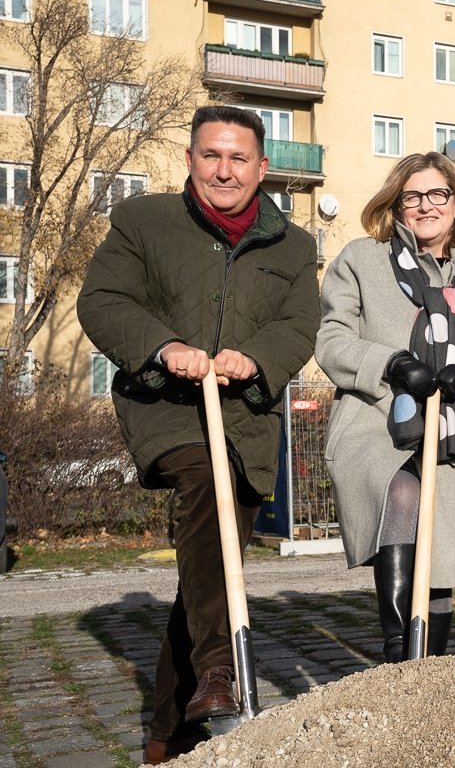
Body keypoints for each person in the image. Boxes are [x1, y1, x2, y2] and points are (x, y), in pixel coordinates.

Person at [76, 105, 319, 764]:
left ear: (262, 168)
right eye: (211, 155)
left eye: (239, 158)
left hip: (244, 411)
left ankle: (168, 736)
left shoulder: (294, 246)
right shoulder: (143, 221)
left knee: (210, 572)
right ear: (190, 159)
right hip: (166, 403)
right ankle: (221, 669)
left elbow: (300, 323)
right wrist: (162, 347)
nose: (224, 169)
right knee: (207, 494)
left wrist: (257, 358)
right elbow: (102, 300)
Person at [317, 152, 455, 663]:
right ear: (397, 205)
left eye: (436, 195)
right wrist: (392, 364)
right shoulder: (362, 258)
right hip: (375, 423)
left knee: (441, 554)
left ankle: (425, 668)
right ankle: (398, 655)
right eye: (412, 196)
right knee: (402, 494)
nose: (425, 206)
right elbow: (332, 341)